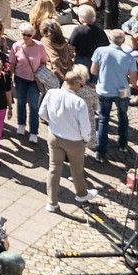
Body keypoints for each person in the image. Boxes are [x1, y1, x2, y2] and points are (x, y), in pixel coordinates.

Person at [39, 65, 94, 212]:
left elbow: (42, 113)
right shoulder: (79, 103)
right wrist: (85, 139)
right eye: (81, 85)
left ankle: (51, 202)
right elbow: (85, 126)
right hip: (75, 141)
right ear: (76, 84)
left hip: (55, 136)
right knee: (77, 170)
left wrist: (53, 123)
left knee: (54, 169)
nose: (81, 88)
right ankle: (81, 194)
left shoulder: (51, 93)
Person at [91, 29, 138, 161]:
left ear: (110, 39)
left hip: (105, 89)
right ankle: (122, 144)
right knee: (123, 116)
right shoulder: (129, 58)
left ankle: (101, 151)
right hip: (123, 91)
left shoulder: (100, 51)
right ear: (123, 41)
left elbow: (93, 70)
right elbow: (134, 81)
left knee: (103, 119)